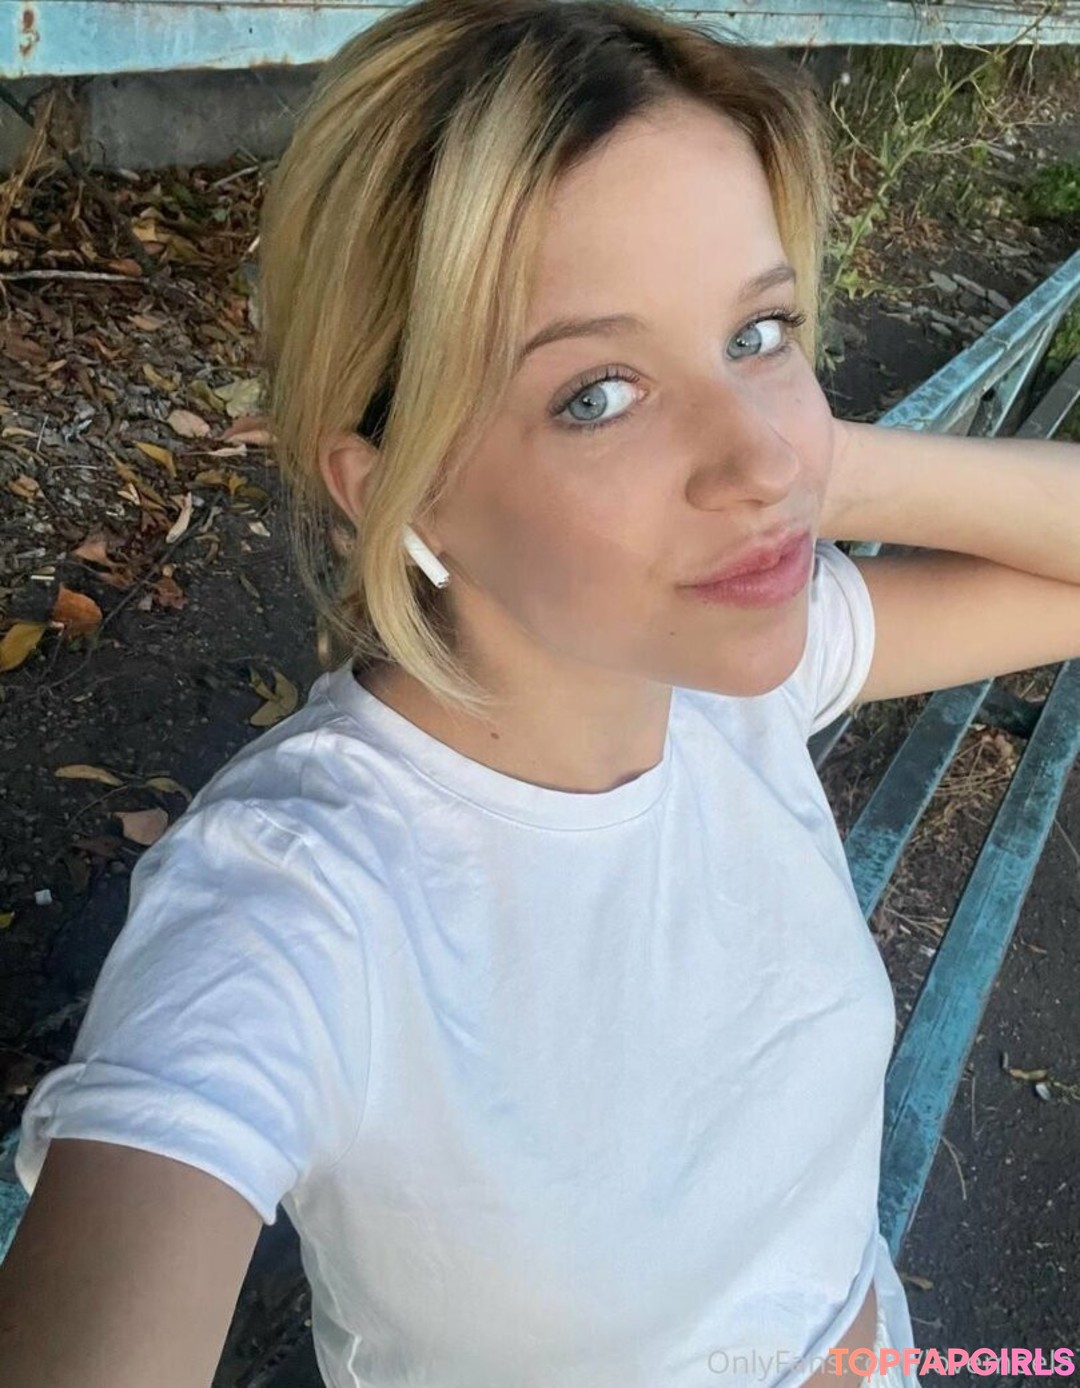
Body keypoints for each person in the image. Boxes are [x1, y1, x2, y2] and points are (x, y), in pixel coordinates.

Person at [5, 0, 1004, 1382]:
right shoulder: (298, 904)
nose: (759, 460)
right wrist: (772, 433)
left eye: (761, 329)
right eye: (598, 393)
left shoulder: (720, 677)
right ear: (400, 487)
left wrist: (821, 459)